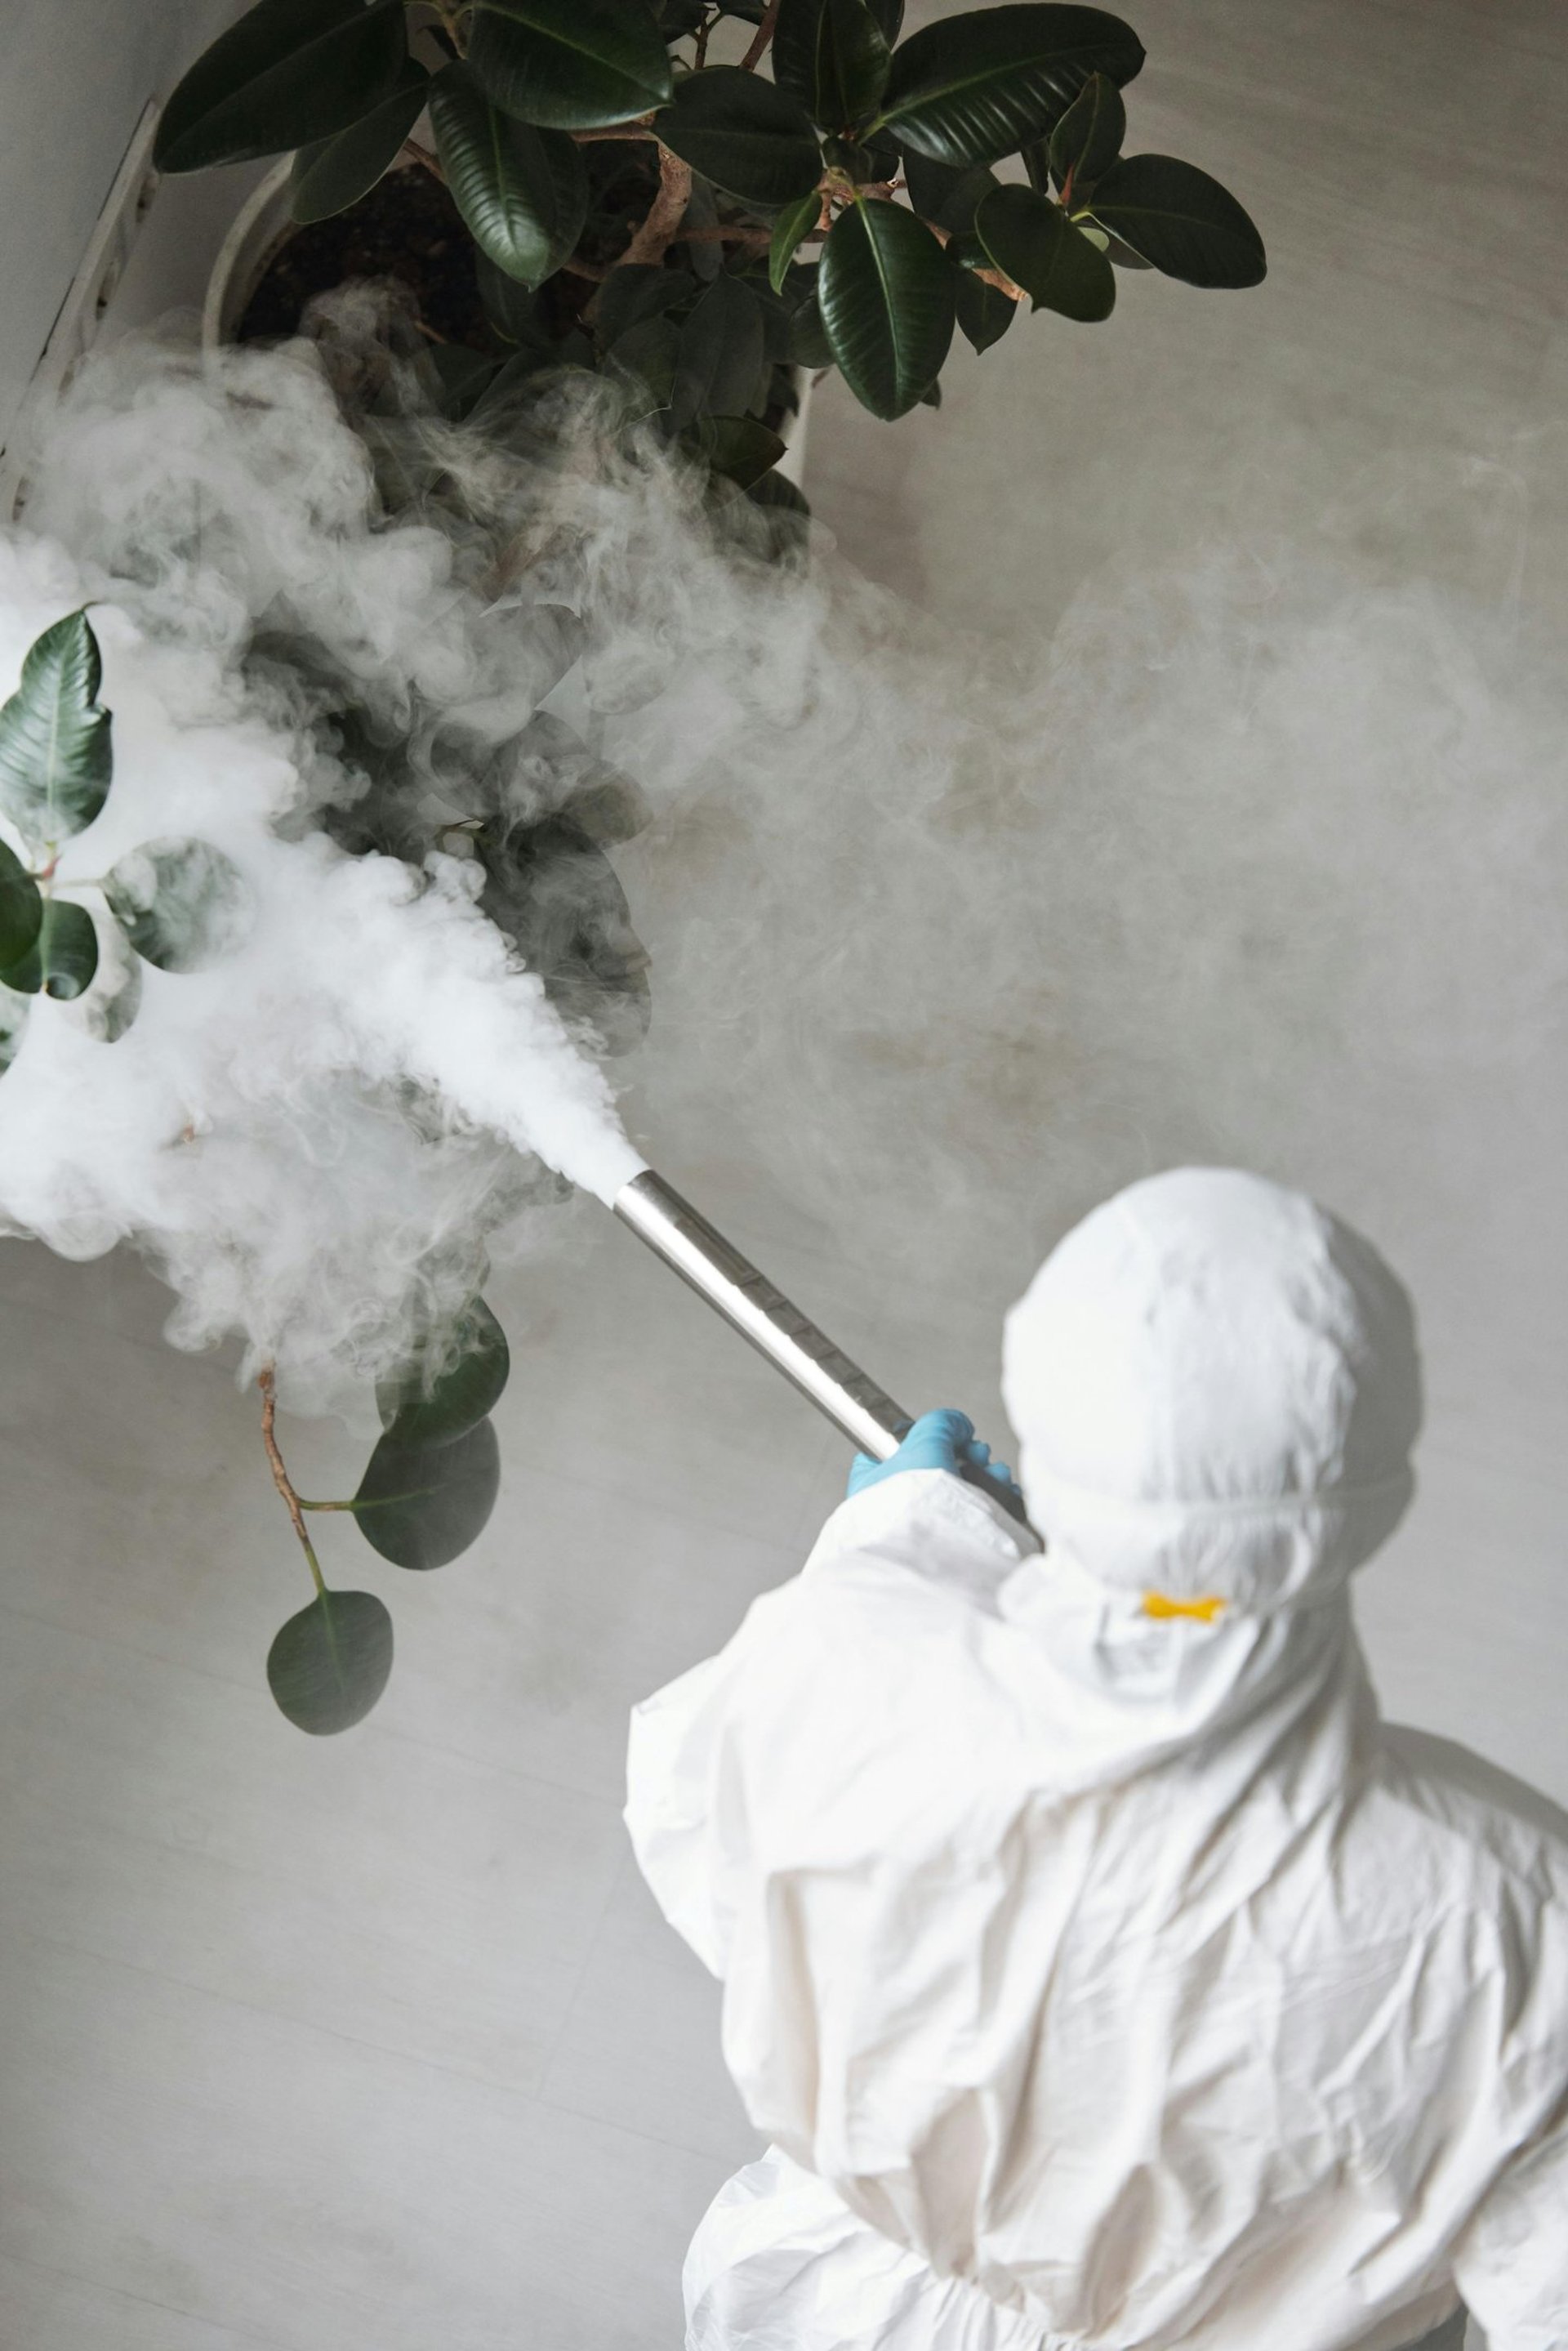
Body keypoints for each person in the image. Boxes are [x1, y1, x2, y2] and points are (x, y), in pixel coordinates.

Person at [625, 1168, 1568, 2351]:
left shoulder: (839, 1658)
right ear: (1377, 1496)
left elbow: (704, 1840)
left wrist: (902, 1536)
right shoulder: (1519, 1918)